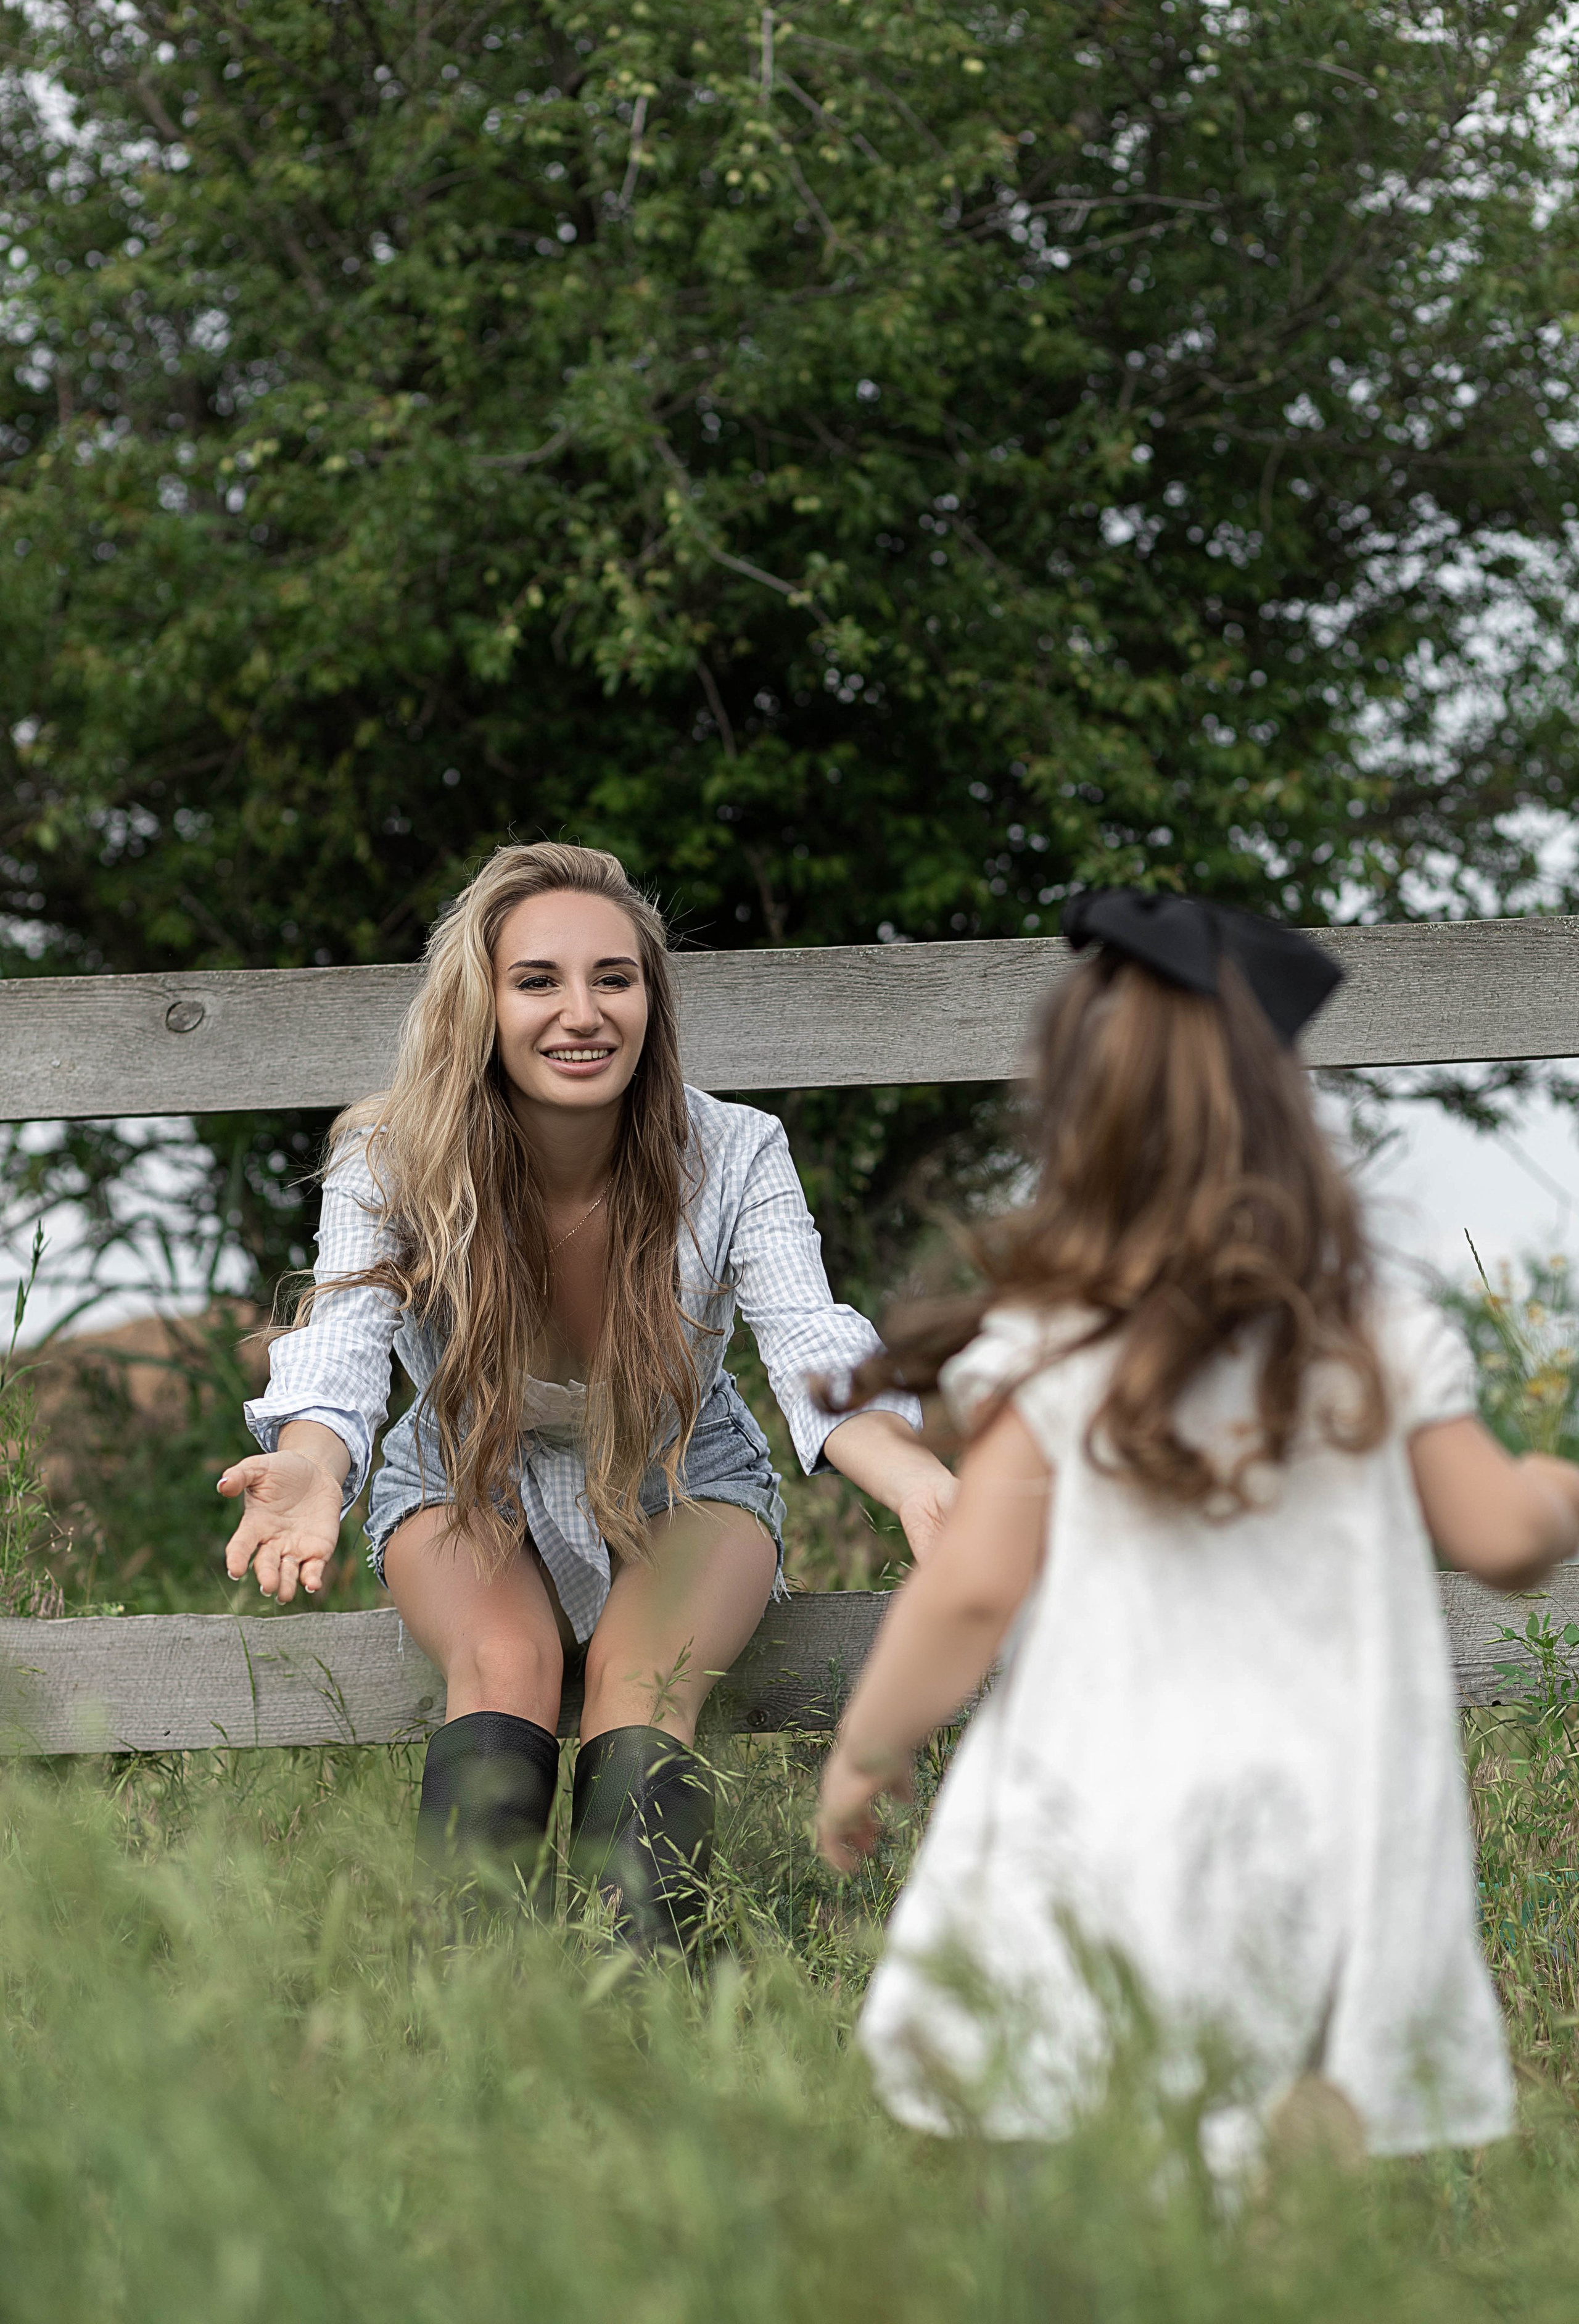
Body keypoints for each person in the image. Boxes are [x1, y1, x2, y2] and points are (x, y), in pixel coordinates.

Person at [815, 887, 1579, 2170]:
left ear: (1078, 1122)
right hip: (1323, 1819)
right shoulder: (1369, 1334)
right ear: (1285, 1117)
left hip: (1097, 1808)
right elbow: (1501, 1538)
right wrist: (1556, 1487)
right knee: (1275, 2150)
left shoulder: (1059, 1346)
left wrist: (865, 1747)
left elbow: (969, 1591)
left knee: (1082, 2123)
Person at [218, 841, 955, 1953]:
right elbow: (344, 1348)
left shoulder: (736, 1150)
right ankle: (475, 2015)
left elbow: (812, 1339)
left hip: (682, 1462)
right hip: (466, 1460)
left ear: (651, 1000)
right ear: (482, 1004)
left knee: (645, 1683)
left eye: (614, 978)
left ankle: (646, 2015)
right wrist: (313, 1465)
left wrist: (913, 1477)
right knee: (503, 1667)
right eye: (538, 981)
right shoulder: (391, 1159)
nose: (583, 1013)